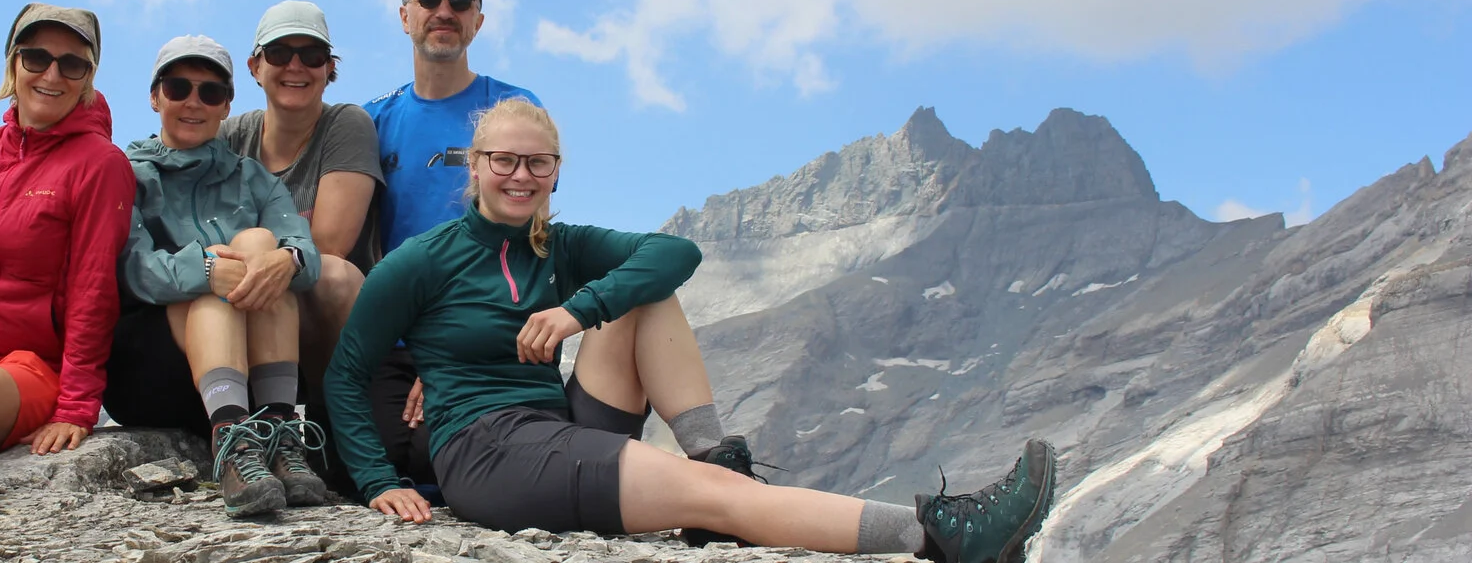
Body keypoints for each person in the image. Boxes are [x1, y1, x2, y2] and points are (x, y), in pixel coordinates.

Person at [326, 99, 1058, 563]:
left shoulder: (561, 245)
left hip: (555, 424)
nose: (520, 175)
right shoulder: (421, 262)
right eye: (504, 161)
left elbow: (677, 254)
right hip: (490, 451)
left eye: (537, 162)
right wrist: (377, 481)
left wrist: (578, 309)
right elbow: (346, 373)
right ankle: (941, 536)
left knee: (649, 294)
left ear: (556, 171)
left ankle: (715, 455)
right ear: (475, 167)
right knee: (707, 497)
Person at [106, 35, 323, 518]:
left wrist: (284, 263)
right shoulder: (125, 173)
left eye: (210, 92)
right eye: (179, 87)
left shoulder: (253, 178)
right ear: (155, 96)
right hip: (154, 368)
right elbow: (130, 268)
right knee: (211, 292)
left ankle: (272, 436)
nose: (192, 102)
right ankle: (234, 440)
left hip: (246, 367)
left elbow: (306, 252)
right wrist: (205, 270)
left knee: (264, 251)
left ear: (226, 105)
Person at [0, 3, 134, 473]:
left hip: (35, 370)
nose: (52, 74)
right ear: (13, 64)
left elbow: (92, 289)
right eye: (36, 57)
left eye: (72, 63)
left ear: (88, 78)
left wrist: (77, 406)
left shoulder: (101, 163)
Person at [216, 0, 380, 496]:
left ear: (330, 69)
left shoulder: (346, 125)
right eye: (280, 52)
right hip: (248, 307)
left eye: (311, 55)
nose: (295, 66)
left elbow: (329, 244)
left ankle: (329, 437)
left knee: (333, 273)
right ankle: (249, 437)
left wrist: (273, 257)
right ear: (255, 66)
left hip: (317, 318)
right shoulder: (229, 136)